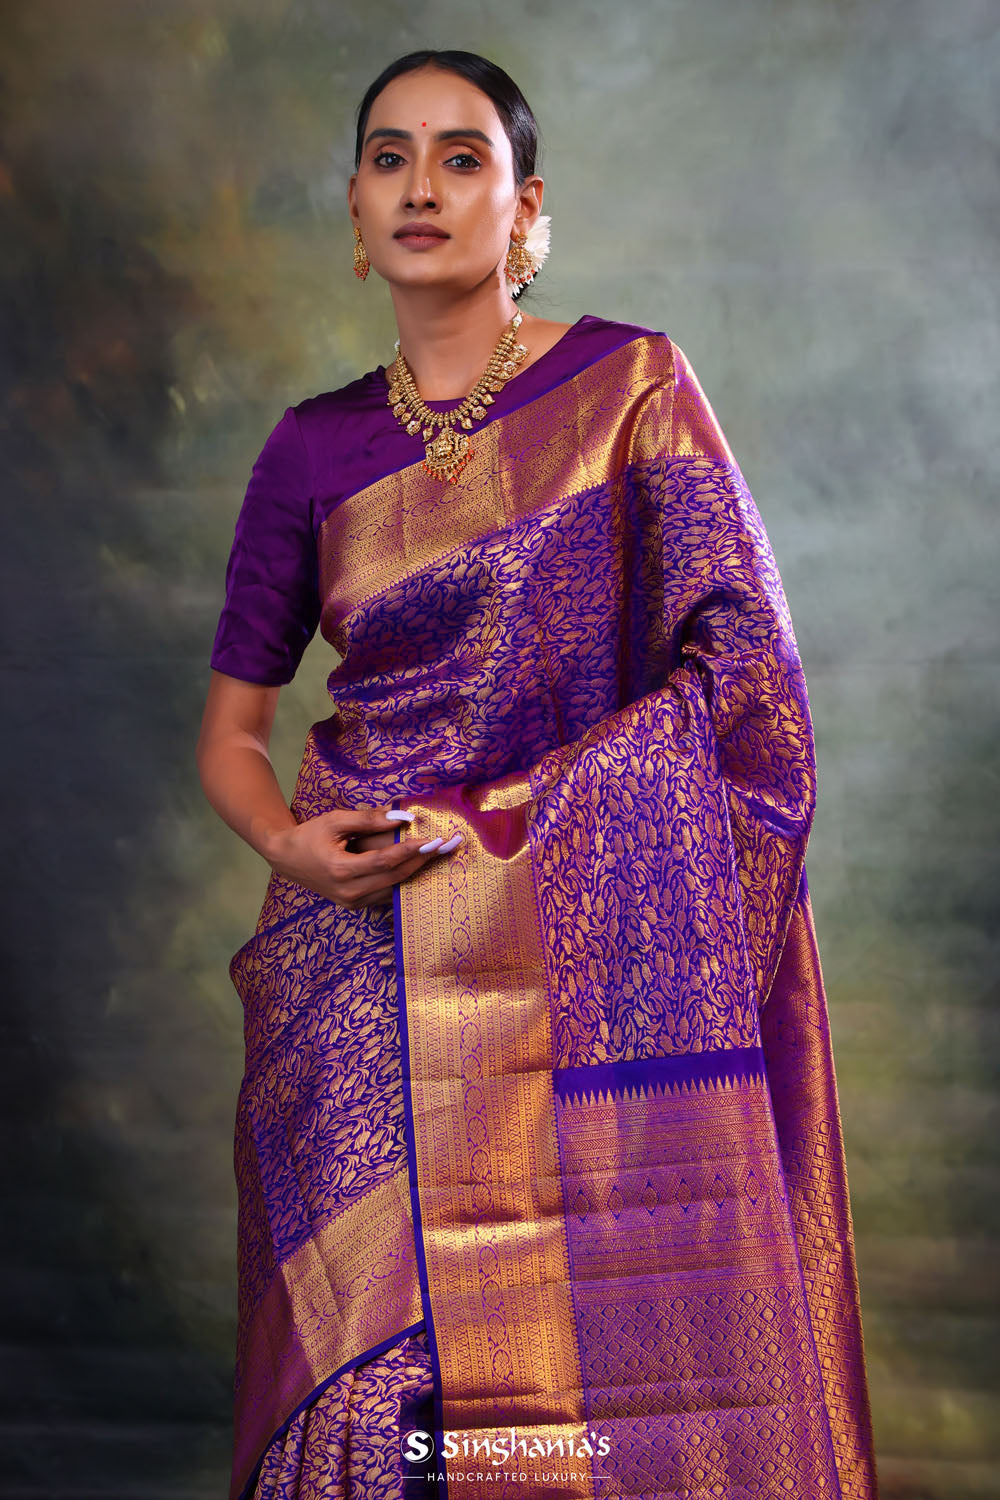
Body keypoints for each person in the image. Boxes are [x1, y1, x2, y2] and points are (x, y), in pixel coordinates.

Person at [196, 47, 880, 1500]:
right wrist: (292, 847)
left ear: (525, 209)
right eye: (389, 157)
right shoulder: (310, 449)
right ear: (354, 207)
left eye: (463, 158)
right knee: (380, 1375)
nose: (421, 187)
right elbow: (233, 734)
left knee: (579, 1380)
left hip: (580, 946)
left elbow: (749, 685)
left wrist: (524, 827)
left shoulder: (631, 388)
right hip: (358, 947)